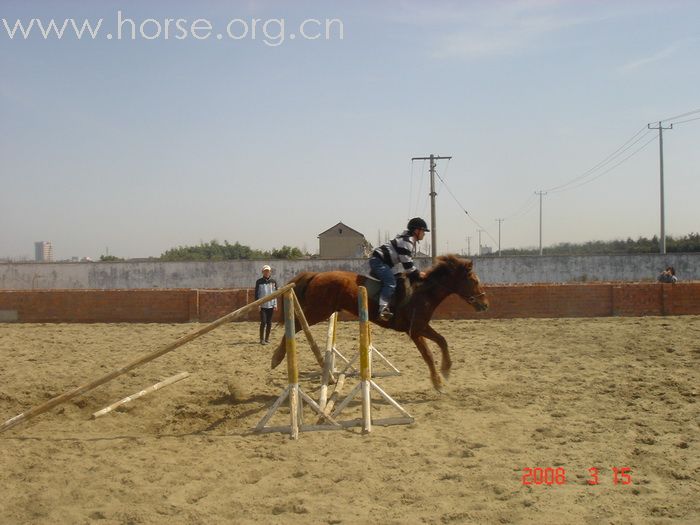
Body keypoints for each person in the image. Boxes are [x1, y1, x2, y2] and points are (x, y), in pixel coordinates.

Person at [369, 217, 429, 320]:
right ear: (416, 231)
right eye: (423, 231)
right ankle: (382, 310)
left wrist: (417, 272)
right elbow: (408, 266)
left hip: (383, 262)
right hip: (379, 261)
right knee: (390, 282)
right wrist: (419, 273)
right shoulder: (407, 242)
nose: (424, 233)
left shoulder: (408, 240)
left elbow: (408, 265)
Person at [255, 265, 278, 344]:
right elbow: (256, 294)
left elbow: (276, 294)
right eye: (265, 271)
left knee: (269, 322)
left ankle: (267, 339)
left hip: (271, 305)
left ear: (270, 272)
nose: (266, 272)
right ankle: (262, 339)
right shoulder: (259, 281)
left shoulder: (273, 281)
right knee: (263, 322)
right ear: (262, 272)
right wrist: (258, 304)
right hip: (262, 306)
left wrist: (275, 304)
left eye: (268, 271)